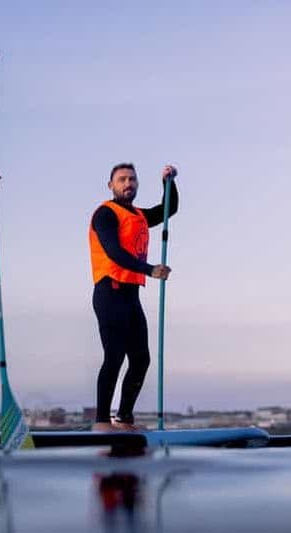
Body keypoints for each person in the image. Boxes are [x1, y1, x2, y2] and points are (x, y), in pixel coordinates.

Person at [89, 163, 179, 431]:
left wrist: (168, 182)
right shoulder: (105, 214)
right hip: (110, 291)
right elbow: (114, 252)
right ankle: (102, 421)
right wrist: (150, 269)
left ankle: (124, 418)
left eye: (132, 179)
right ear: (111, 185)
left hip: (131, 295)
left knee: (141, 359)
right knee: (114, 356)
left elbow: (169, 209)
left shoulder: (139, 215)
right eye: (122, 179)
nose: (128, 183)